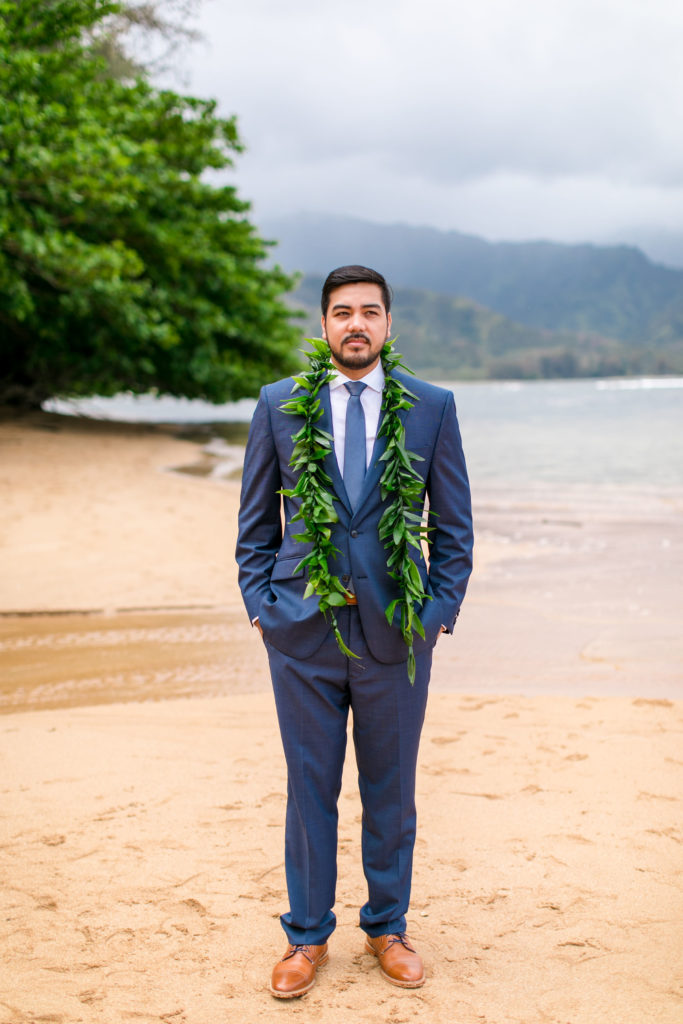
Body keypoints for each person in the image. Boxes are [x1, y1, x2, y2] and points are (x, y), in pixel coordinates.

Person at [236, 265, 473, 998]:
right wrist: (262, 609)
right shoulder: (280, 404)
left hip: (395, 638)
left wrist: (432, 620)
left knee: (390, 791)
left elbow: (454, 530)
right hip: (301, 637)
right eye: (342, 312)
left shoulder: (430, 406)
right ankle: (305, 938)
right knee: (308, 789)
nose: (355, 324)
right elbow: (253, 528)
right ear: (323, 324)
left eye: (369, 312)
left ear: (388, 324)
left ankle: (387, 927)